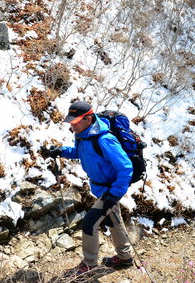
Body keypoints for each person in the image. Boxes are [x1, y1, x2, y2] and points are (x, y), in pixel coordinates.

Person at [42, 100, 134, 276]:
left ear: (89, 118)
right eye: (71, 122)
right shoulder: (82, 134)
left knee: (89, 223)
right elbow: (80, 152)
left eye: (75, 122)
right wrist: (61, 151)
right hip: (101, 189)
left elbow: (126, 167)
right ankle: (125, 257)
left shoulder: (105, 140)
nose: (72, 125)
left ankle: (89, 264)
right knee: (112, 220)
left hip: (110, 190)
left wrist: (114, 194)